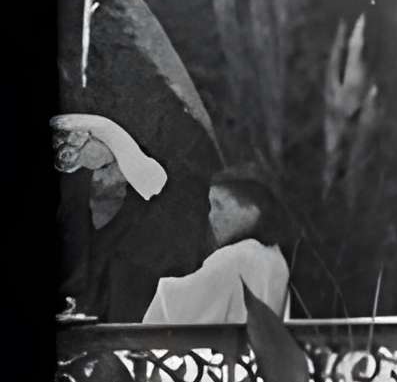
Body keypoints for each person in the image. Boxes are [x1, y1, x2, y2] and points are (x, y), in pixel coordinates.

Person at [56, 113, 173, 323]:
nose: (121, 183)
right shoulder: (70, 201)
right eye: (106, 167)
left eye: (127, 182)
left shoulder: (135, 223)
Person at [147, 165, 294, 324]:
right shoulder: (275, 258)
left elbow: (179, 308)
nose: (211, 216)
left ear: (252, 211)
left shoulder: (234, 257)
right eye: (211, 207)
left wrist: (164, 288)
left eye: (219, 205)